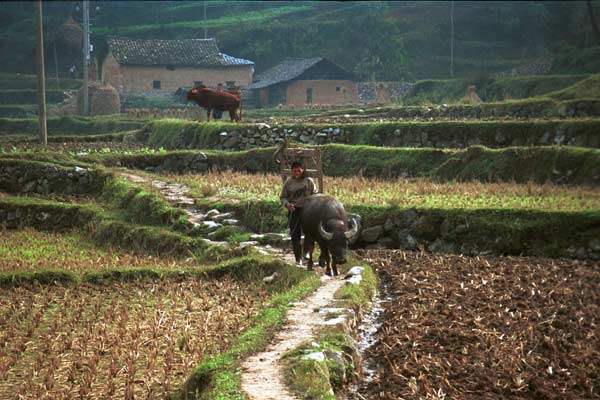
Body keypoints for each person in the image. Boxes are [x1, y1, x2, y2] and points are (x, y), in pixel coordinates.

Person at [280, 161, 317, 268]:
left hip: (307, 211)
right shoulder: (288, 182)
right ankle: (298, 258)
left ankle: (306, 252)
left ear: (303, 170)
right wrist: (287, 204)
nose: (297, 173)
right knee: (295, 235)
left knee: (309, 233)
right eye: (295, 171)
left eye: (299, 171)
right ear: (292, 171)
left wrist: (313, 205)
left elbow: (315, 194)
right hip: (294, 210)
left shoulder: (309, 181)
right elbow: (283, 197)